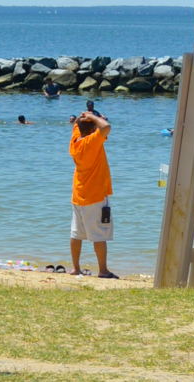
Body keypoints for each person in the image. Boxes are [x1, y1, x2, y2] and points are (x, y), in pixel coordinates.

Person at [68, 111, 118, 279]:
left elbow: (77, 124)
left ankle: (76, 268)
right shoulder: (91, 142)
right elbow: (106, 127)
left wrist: (87, 116)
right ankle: (103, 270)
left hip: (78, 194)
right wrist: (96, 118)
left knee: (76, 234)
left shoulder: (75, 141)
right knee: (99, 235)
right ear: (92, 129)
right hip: (95, 196)